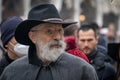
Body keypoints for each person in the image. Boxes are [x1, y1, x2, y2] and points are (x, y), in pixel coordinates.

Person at [0, 4, 98, 80]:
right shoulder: (12, 73)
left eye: (60, 31)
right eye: (49, 31)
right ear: (33, 36)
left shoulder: (82, 70)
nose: (58, 37)